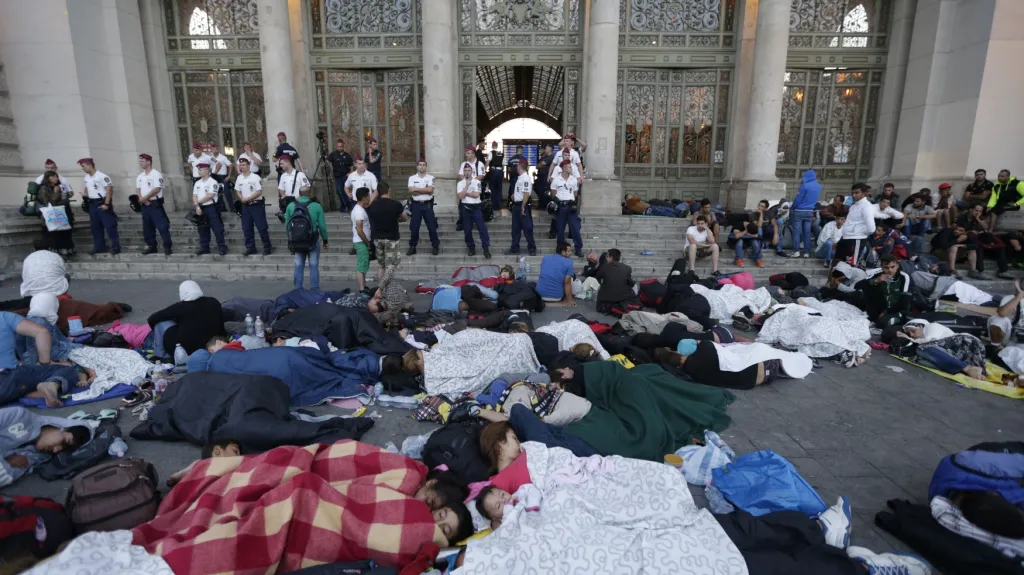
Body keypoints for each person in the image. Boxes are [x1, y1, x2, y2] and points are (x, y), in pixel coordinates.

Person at [0, 312, 80, 407]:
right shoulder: (4, 317)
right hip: (10, 377)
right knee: (67, 368)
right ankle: (51, 385)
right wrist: (44, 362)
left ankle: (28, 392)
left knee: (17, 387)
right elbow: (42, 332)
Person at [0, 406, 91, 488]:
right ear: (60, 426)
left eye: (63, 450)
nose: (56, 450)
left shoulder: (41, 456)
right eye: (64, 442)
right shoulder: (19, 415)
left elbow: (7, 475)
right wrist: (4, 460)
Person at [147, 281, 226, 356]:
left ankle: (160, 356)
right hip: (210, 345)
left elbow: (152, 318)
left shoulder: (180, 307)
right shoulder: (214, 302)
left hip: (184, 351)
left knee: (161, 323)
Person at [897, 319, 988, 381]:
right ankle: (967, 369)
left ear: (921, 326)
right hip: (957, 352)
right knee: (919, 359)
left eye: (913, 331)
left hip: (966, 341)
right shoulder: (923, 338)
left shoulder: (931, 326)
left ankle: (966, 368)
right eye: (909, 334)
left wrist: (909, 339)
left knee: (922, 349)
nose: (912, 335)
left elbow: (930, 341)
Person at [285, 183, 328, 291]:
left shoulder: (290, 206)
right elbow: (322, 226)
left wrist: (291, 240)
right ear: (310, 194)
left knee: (299, 265)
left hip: (297, 240)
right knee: (313, 265)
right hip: (312, 240)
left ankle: (298, 289)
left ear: (299, 194)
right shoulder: (317, 206)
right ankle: (315, 289)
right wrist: (325, 240)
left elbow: (287, 226)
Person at [956, 203, 1012, 279]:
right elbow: (957, 231)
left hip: (978, 238)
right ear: (971, 209)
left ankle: (1003, 270)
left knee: (993, 240)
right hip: (967, 239)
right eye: (976, 210)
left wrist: (978, 219)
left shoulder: (979, 218)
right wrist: (970, 231)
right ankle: (979, 271)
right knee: (976, 243)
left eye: (980, 211)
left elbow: (986, 227)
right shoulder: (962, 217)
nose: (977, 212)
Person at [78, 158, 121, 256]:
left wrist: (107, 204)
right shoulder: (87, 177)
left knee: (110, 226)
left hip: (101, 202)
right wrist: (85, 194)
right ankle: (99, 246)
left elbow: (109, 190)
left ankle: (116, 246)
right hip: (92, 203)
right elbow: (87, 187)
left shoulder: (102, 176)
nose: (83, 168)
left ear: (89, 165)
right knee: (95, 227)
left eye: (83, 166)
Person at [367, 181, 406, 284]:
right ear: (389, 190)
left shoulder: (373, 205)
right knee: (391, 265)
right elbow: (405, 217)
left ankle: (381, 287)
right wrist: (397, 220)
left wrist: (373, 196)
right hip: (391, 237)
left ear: (377, 192)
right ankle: (388, 288)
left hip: (378, 237)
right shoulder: (396, 204)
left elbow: (369, 211)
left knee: (381, 265)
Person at [856, 255, 912, 328]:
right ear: (882, 267)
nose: (890, 270)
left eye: (893, 267)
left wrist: (887, 311)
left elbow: (904, 302)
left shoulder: (904, 277)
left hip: (897, 309)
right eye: (886, 267)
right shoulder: (878, 273)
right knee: (858, 293)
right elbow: (857, 286)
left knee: (882, 323)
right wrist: (877, 280)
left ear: (897, 266)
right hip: (881, 306)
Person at [234, 156, 272, 256]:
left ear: (249, 166)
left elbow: (259, 191)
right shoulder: (239, 178)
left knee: (262, 227)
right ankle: (251, 247)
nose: (241, 167)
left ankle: (267, 247)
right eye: (240, 165)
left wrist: (248, 198)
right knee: (246, 228)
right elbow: (237, 190)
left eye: (244, 165)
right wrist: (241, 198)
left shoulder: (255, 177)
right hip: (245, 206)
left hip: (256, 205)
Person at [136, 153, 172, 256]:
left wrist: (145, 198)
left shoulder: (156, 174)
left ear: (149, 162)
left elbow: (157, 189)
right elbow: (138, 189)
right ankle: (151, 246)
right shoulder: (140, 176)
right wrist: (141, 199)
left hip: (155, 204)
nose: (141, 163)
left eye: (142, 161)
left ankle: (167, 246)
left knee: (162, 226)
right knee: (147, 227)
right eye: (140, 161)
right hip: (144, 205)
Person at [832, 183, 873, 268]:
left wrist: (857, 232)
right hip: (845, 238)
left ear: (863, 193)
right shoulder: (853, 206)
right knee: (836, 263)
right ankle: (831, 281)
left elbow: (871, 228)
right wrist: (840, 238)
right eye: (852, 193)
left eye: (856, 192)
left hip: (856, 239)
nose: (854, 195)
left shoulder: (867, 206)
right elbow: (848, 223)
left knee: (849, 266)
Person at [36, 171, 75, 257]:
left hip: (62, 213)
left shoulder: (59, 186)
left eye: (56, 177)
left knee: (65, 233)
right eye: (52, 177)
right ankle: (56, 252)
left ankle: (67, 251)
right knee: (55, 235)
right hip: (52, 215)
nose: (55, 179)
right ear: (47, 178)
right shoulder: (44, 188)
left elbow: (65, 197)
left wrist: (65, 195)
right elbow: (49, 202)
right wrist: (56, 192)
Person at [191, 163, 227, 256]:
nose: (199, 172)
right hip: (200, 208)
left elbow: (210, 195)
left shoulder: (213, 182)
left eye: (201, 170)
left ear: (207, 170)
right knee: (202, 229)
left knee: (217, 229)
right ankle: (204, 248)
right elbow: (194, 195)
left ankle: (222, 247)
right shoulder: (197, 183)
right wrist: (197, 206)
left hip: (211, 208)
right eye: (198, 170)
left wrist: (198, 203)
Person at [407, 159, 440, 256]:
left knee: (432, 227)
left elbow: (430, 190)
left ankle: (435, 245)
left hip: (428, 205)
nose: (422, 166)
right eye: (420, 165)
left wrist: (416, 189)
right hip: (416, 205)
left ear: (426, 166)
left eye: (424, 165)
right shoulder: (412, 178)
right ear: (417, 166)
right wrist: (424, 190)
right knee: (414, 227)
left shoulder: (431, 178)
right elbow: (410, 191)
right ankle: (413, 247)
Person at [457, 162, 491, 258]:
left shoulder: (477, 182)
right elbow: (460, 196)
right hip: (465, 208)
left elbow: (476, 195)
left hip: (476, 208)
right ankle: (471, 247)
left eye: (469, 171)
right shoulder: (460, 183)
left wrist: (465, 193)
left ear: (472, 171)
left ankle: (486, 248)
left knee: (482, 228)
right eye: (465, 171)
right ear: (463, 172)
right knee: (467, 230)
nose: (467, 172)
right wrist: (467, 187)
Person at [551, 159, 583, 257]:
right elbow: (553, 194)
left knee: (575, 228)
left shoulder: (573, 179)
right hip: (561, 207)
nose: (571, 168)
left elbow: (575, 193)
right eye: (569, 167)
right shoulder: (556, 180)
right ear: (564, 168)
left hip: (570, 207)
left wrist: (572, 202)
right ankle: (560, 248)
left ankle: (578, 248)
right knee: (560, 229)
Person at [506, 158, 536, 256]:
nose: (516, 167)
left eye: (517, 165)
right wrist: (513, 196)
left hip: (522, 206)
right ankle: (514, 247)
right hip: (516, 205)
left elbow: (526, 193)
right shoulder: (520, 178)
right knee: (515, 228)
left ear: (519, 166)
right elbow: (520, 192)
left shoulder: (526, 178)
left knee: (527, 228)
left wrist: (523, 206)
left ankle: (532, 248)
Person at [595, 248, 639, 314]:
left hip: (606, 298)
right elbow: (630, 283)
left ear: (611, 257)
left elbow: (597, 276)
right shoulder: (627, 268)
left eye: (607, 257)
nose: (607, 259)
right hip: (622, 298)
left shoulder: (605, 267)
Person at [790, 169, 822, 258]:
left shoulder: (804, 186)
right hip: (810, 212)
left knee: (797, 232)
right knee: (807, 232)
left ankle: (796, 251)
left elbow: (798, 199)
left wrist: (792, 208)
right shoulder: (819, 186)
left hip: (799, 211)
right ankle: (806, 252)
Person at [351, 187, 372, 292]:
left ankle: (364, 286)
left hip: (360, 241)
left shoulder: (359, 209)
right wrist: (367, 242)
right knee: (361, 266)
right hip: (361, 241)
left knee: (363, 265)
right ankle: (361, 289)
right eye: (368, 196)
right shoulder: (359, 211)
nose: (370, 198)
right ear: (363, 198)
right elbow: (359, 230)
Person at [327, 138, 354, 212]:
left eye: (341, 146)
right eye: (338, 146)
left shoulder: (347, 155)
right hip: (337, 176)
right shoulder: (333, 154)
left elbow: (351, 165)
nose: (339, 148)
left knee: (345, 191)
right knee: (339, 191)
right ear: (336, 146)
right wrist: (330, 172)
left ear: (343, 146)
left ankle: (344, 207)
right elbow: (327, 162)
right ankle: (347, 205)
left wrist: (351, 173)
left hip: (345, 176)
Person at [487, 140, 505, 212]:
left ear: (492, 146)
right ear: (497, 146)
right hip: (500, 172)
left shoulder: (491, 153)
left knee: (492, 188)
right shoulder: (501, 153)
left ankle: (494, 205)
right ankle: (498, 205)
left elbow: (488, 162)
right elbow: (503, 165)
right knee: (499, 188)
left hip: (493, 172)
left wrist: (484, 169)